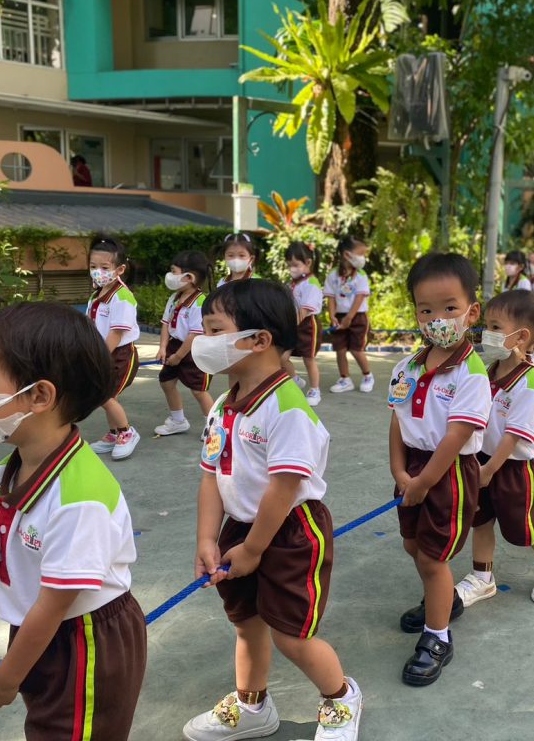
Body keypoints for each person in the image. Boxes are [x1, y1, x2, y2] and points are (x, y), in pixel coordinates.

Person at [0, 303, 146, 739]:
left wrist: (5, 680)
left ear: (39, 396)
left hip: (85, 642)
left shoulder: (79, 497)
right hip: (38, 633)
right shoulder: (4, 476)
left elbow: (54, 604)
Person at [183, 280, 362, 741]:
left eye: (214, 330)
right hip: (240, 528)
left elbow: (283, 490)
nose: (202, 341)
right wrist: (207, 539)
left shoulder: (287, 408)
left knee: (290, 634)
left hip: (290, 532)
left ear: (259, 340)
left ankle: (341, 697)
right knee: (246, 623)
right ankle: (253, 706)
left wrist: (253, 549)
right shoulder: (222, 405)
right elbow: (210, 475)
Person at [388, 252, 490, 686]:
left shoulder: (472, 372)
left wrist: (424, 481)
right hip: (412, 469)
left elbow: (456, 435)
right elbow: (397, 421)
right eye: (426, 310)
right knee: (413, 545)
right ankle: (442, 598)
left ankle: (437, 636)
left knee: (433, 556)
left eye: (450, 308)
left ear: (472, 311)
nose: (437, 320)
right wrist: (399, 472)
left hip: (448, 473)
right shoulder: (408, 366)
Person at [453, 290, 534, 608]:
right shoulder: (488, 371)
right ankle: (482, 577)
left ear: (521, 336)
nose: (486, 333)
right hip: (481, 460)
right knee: (480, 519)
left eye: (495, 327)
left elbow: (514, 435)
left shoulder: (528, 381)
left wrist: (490, 470)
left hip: (512, 468)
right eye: (486, 325)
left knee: (526, 525)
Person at [85, 236, 141, 461]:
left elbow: (116, 333)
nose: (97, 272)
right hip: (102, 351)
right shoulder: (96, 295)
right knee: (106, 396)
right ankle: (114, 433)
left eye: (104, 267)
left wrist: (98, 355)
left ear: (120, 270)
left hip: (119, 354)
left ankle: (127, 432)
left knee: (107, 395)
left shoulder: (122, 297)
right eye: (93, 266)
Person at [154, 250, 215, 436]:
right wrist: (163, 348)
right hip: (175, 347)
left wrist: (179, 356)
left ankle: (214, 428)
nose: (170, 276)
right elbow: (165, 324)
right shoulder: (174, 298)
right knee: (166, 382)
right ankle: (178, 420)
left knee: (198, 390)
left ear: (189, 277)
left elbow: (194, 334)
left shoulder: (200, 303)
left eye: (174, 272)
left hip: (196, 350)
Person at [324, 236, 374, 394]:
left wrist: (349, 318)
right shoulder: (333, 275)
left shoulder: (361, 275)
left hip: (357, 317)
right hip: (339, 317)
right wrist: (332, 316)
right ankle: (345, 379)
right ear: (347, 255)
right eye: (361, 254)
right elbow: (331, 298)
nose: (363, 258)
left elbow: (359, 298)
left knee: (356, 349)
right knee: (340, 349)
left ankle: (367, 376)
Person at [282, 241, 323, 407]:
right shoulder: (293, 283)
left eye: (295, 265)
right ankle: (295, 380)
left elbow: (303, 312)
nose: (292, 268)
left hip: (307, 325)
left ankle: (315, 389)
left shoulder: (311, 284)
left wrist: (287, 326)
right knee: (282, 358)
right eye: (289, 265)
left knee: (309, 359)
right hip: (292, 324)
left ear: (308, 262)